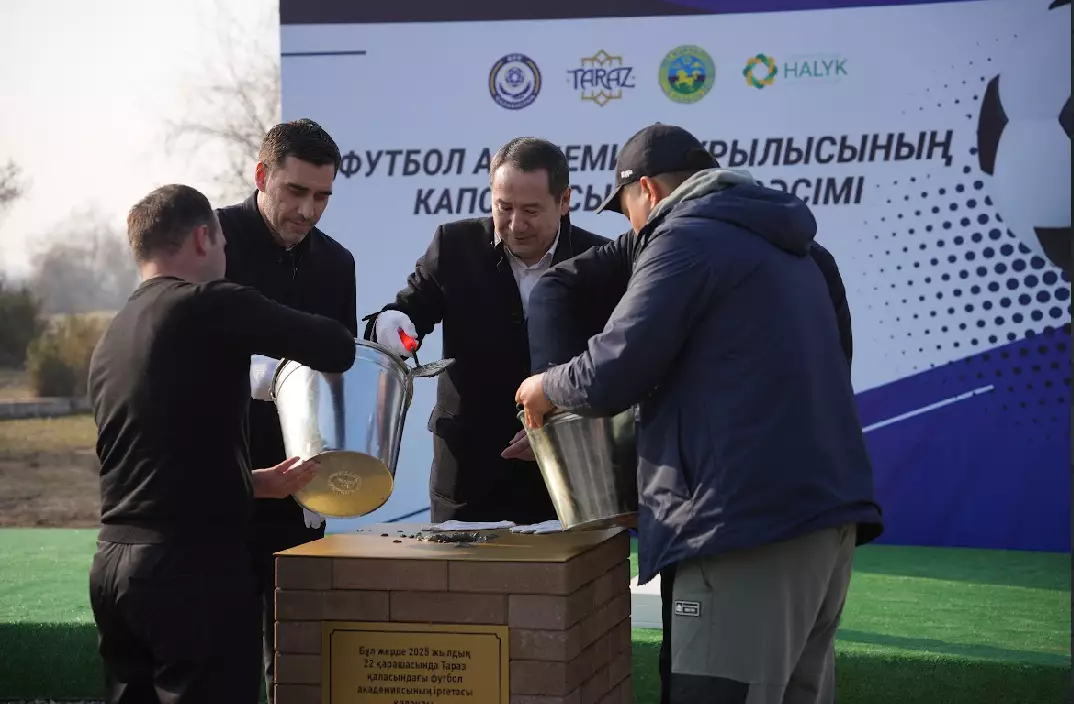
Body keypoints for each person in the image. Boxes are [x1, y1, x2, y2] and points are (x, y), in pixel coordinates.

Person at [516, 124, 884, 704]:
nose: (630, 228)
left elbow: (613, 367)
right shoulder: (802, 252)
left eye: (627, 210)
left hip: (741, 527)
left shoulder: (684, 238)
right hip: (826, 522)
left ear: (649, 192)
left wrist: (545, 386)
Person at [87, 184, 356, 704]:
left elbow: (148, 463)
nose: (227, 255)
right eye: (224, 245)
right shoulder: (210, 302)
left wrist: (256, 482)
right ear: (204, 238)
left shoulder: (115, 333)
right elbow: (335, 345)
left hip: (114, 566)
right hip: (191, 570)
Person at [362, 137, 609, 526]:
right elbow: (410, 307)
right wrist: (393, 322)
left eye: (531, 210)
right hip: (467, 471)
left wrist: (560, 424)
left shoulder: (601, 261)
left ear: (565, 202)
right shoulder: (454, 245)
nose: (515, 224)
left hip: (569, 470)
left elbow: (612, 364)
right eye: (503, 207)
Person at [214, 118, 357, 703]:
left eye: (321, 197)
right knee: (219, 664)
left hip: (300, 489)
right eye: (295, 192)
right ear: (261, 175)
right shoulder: (212, 240)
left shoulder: (336, 262)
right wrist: (248, 369)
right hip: (223, 484)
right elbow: (173, 344)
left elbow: (336, 369)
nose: (308, 210)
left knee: (296, 665)